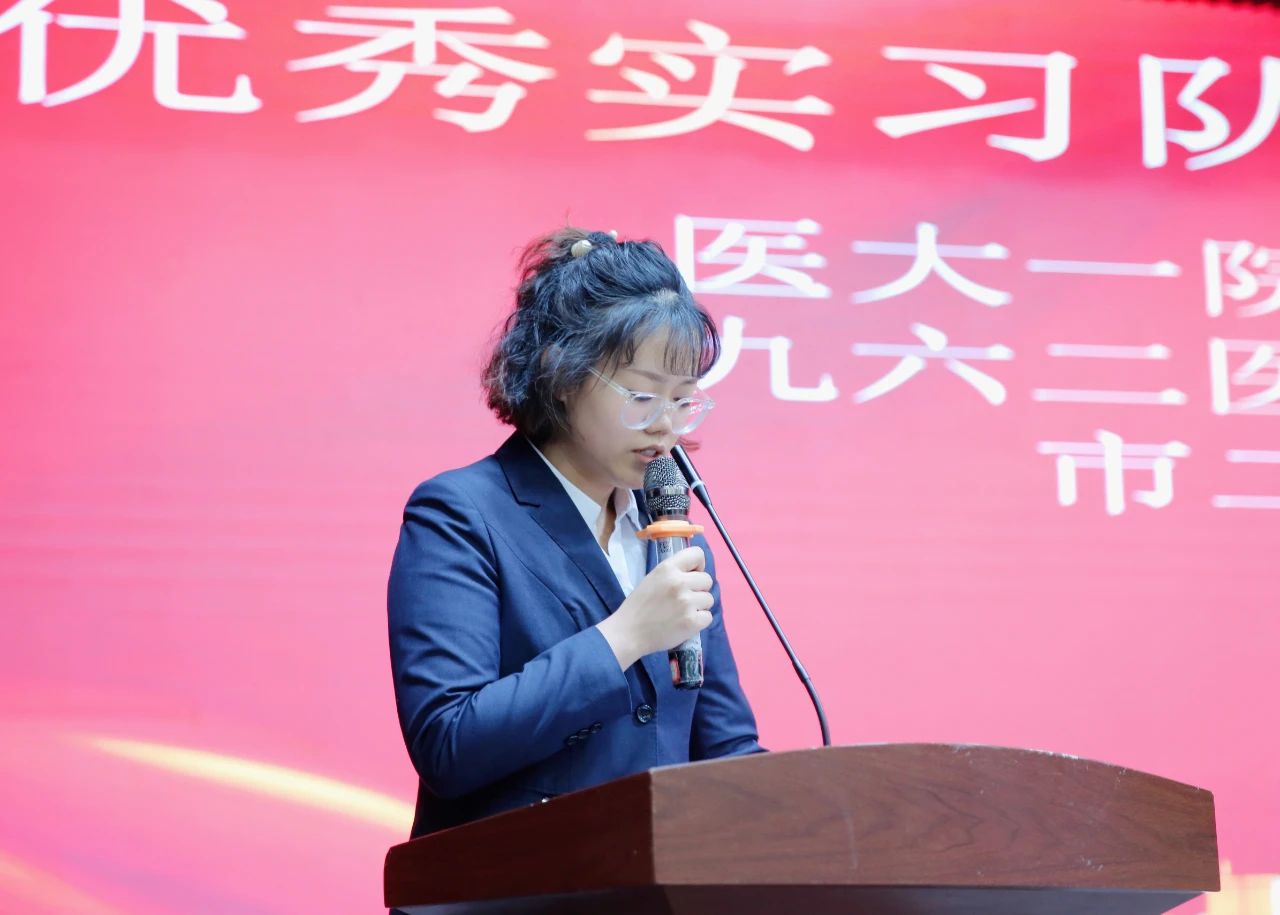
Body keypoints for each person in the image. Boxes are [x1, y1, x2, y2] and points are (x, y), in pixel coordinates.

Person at [387, 226, 762, 842]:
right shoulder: (460, 513)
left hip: (653, 878)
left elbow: (724, 749)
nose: (666, 425)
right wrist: (624, 637)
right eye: (642, 395)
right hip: (514, 877)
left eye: (684, 399)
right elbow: (448, 743)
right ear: (562, 374)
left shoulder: (673, 536)